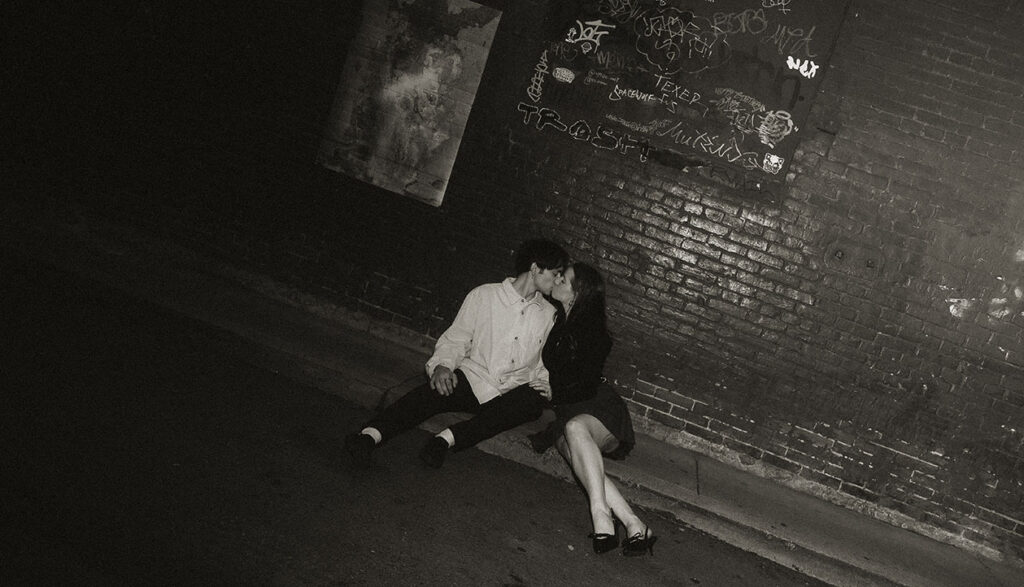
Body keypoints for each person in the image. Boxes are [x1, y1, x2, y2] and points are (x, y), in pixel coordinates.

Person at [344, 239, 569, 469]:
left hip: (513, 391)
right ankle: (369, 436)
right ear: (534, 268)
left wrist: (548, 386)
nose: (559, 280)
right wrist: (442, 366)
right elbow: (458, 338)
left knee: (530, 405)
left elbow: (546, 363)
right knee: (432, 392)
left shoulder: (549, 315)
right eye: (556, 273)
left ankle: (445, 440)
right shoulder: (484, 296)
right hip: (475, 380)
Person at [527, 262, 657, 556]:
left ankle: (601, 518)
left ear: (578, 291)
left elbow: (585, 382)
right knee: (585, 462)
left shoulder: (592, 331)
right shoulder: (561, 320)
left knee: (576, 429)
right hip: (567, 410)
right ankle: (635, 524)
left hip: (597, 407)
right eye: (559, 275)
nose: (558, 278)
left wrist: (555, 390)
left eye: (564, 278)